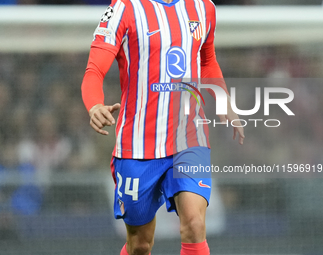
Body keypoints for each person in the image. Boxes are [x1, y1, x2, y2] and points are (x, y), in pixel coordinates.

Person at [81, 0, 245, 254]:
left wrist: (223, 100)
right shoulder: (125, 8)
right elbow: (94, 70)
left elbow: (207, 59)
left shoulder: (204, 7)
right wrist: (94, 105)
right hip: (137, 146)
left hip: (189, 137)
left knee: (194, 223)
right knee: (140, 243)